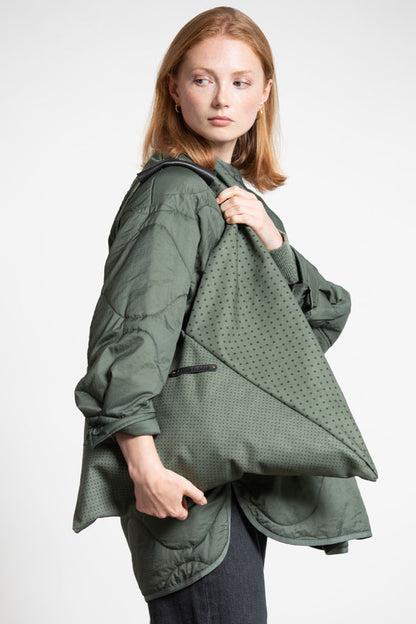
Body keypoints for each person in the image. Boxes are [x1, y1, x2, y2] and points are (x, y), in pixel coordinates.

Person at [73, 6, 374, 623]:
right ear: (174, 89)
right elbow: (131, 337)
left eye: (240, 81)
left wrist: (273, 239)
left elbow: (304, 330)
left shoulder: (227, 194)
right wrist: (145, 469)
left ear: (264, 94)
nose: (221, 98)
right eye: (202, 79)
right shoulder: (174, 195)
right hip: (185, 484)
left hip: (228, 476)